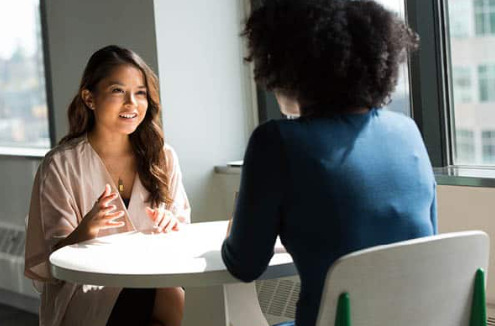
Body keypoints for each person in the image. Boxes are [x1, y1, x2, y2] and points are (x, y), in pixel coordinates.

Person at [221, 1, 437, 325]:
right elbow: (428, 240)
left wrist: (237, 225)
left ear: (288, 65)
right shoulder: (407, 131)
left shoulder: (277, 141)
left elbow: (245, 265)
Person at [24, 45, 190, 326]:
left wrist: (171, 224)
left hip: (152, 280)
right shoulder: (60, 165)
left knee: (172, 293)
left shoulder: (163, 157)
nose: (132, 103)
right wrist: (85, 229)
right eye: (117, 91)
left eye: (140, 93)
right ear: (90, 98)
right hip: (85, 291)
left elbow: (183, 235)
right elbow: (53, 262)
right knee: (166, 297)